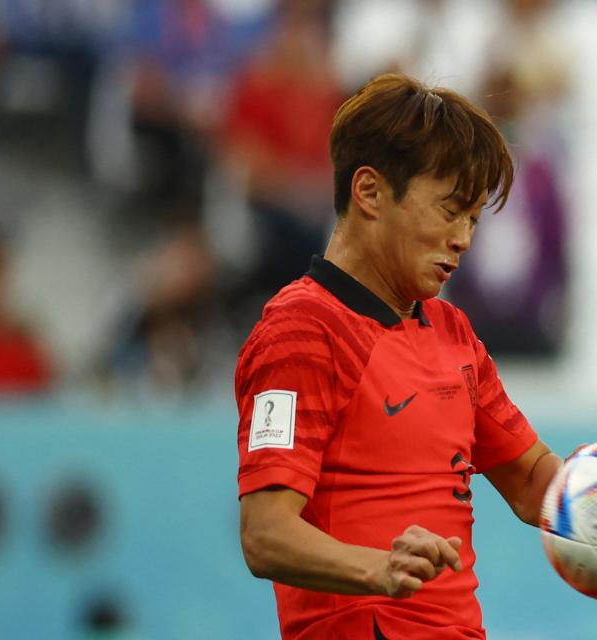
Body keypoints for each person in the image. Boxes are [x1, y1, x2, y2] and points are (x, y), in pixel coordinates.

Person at [234, 73, 568, 639]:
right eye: (449, 211)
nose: (464, 238)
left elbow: (533, 480)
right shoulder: (301, 331)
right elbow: (265, 534)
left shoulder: (452, 331)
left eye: (472, 219)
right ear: (368, 192)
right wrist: (377, 569)